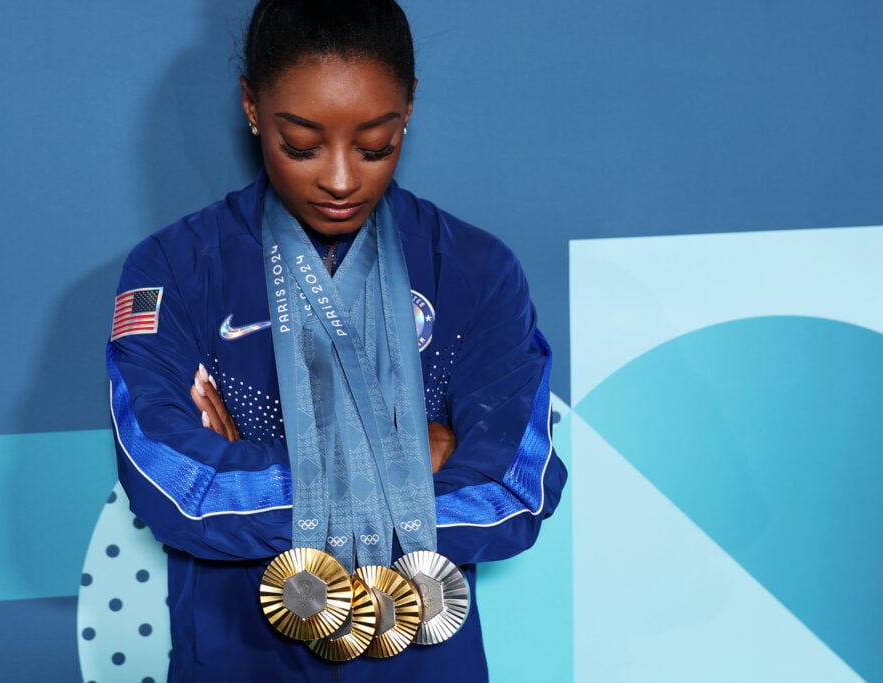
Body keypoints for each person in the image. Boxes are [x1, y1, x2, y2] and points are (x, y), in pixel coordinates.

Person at [107, 0, 567, 680]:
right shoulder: (176, 268)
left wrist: (255, 470)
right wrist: (406, 463)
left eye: (376, 145)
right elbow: (172, 484)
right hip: (238, 660)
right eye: (301, 146)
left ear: (409, 109)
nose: (342, 179)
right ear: (252, 107)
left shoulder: (475, 269)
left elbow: (516, 488)